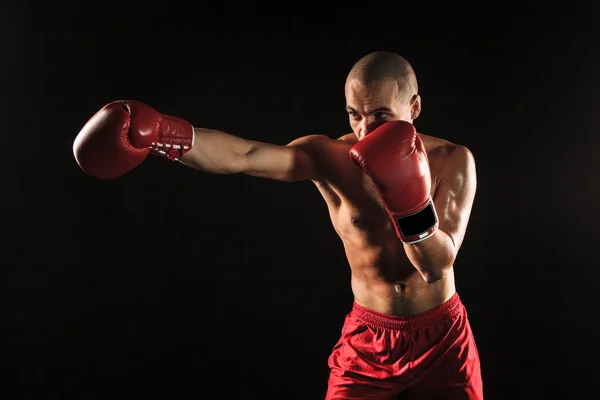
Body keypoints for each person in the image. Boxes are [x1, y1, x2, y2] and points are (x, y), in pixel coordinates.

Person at [73, 51, 483, 399]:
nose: (364, 131)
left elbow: (435, 265)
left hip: (442, 337)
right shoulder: (330, 157)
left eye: (381, 116)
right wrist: (165, 134)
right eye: (355, 115)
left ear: (413, 108)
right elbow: (245, 155)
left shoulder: (453, 160)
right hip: (368, 340)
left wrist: (409, 196)